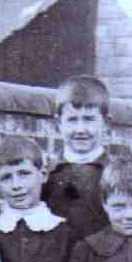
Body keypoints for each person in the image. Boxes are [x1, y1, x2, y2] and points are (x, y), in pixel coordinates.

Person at [0, 136, 72, 262]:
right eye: (7, 177)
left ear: (43, 174)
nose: (16, 185)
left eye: (24, 174)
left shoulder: (65, 233)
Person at [42, 75, 112, 242]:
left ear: (106, 123)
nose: (80, 129)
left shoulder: (115, 175)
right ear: (58, 123)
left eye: (89, 119)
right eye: (72, 120)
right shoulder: (45, 175)